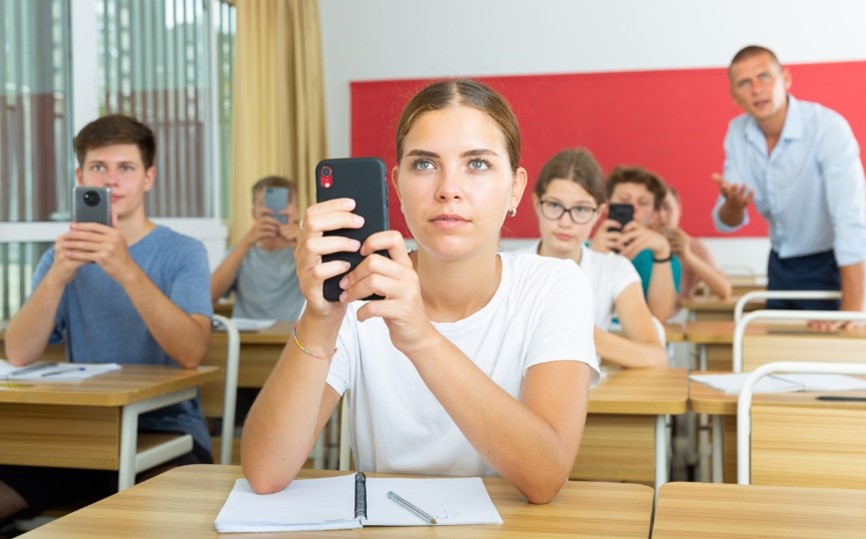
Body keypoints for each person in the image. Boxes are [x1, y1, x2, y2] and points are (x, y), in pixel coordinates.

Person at [241, 80, 598, 504]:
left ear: (516, 189)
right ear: (397, 186)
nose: (448, 188)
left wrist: (421, 337)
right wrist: (320, 319)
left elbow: (545, 476)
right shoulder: (361, 287)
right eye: (425, 165)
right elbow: (265, 473)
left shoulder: (554, 285)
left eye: (478, 164)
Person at [1, 114, 213, 521]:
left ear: (148, 177)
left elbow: (191, 352)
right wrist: (59, 275)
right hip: (82, 434)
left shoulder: (184, 252)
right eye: (99, 167)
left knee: (153, 519)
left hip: (167, 431)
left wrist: (125, 268)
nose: (111, 180)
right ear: (81, 175)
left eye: (126, 168)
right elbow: (20, 353)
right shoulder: (58, 257)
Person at [712, 45, 866, 323]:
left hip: (829, 264)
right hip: (780, 264)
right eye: (744, 83)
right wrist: (732, 205)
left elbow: (850, 221)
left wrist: (852, 312)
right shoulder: (737, 132)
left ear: (786, 78)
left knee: (826, 355)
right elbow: (727, 221)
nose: (757, 89)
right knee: (776, 358)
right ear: (734, 95)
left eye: (764, 77)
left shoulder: (827, 128)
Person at [526, 148, 667, 368]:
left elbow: (656, 358)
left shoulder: (614, 269)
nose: (565, 222)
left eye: (581, 209)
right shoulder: (506, 267)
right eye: (554, 205)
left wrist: (578, 330)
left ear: (598, 214)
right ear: (537, 204)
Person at [592, 165, 680, 322]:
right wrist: (592, 257)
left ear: (654, 214)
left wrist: (662, 253)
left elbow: (660, 316)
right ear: (606, 206)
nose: (633, 208)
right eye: (624, 201)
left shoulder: (664, 258)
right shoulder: (582, 250)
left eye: (643, 202)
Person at [211, 175, 305, 320]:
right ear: (254, 213)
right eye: (265, 203)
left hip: (295, 336)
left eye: (283, 203)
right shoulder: (240, 253)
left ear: (296, 212)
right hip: (249, 338)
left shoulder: (307, 251)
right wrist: (246, 242)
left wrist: (304, 241)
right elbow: (210, 295)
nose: (274, 211)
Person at [660, 184, 732, 301]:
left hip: (679, 316)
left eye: (667, 207)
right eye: (655, 209)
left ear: (679, 209)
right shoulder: (638, 243)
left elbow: (724, 289)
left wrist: (687, 255)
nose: (662, 216)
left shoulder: (693, 246)